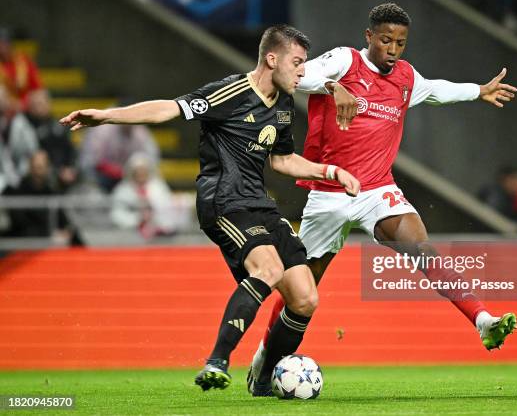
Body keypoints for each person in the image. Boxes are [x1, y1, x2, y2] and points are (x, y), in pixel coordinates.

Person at [60, 25, 360, 395]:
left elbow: (282, 161)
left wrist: (330, 172)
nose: (303, 71)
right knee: (268, 269)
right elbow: (167, 110)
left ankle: (262, 379)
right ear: (272, 58)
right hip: (223, 201)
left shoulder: (283, 102)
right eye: (297, 63)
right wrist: (106, 116)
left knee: (305, 297)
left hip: (258, 202)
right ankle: (217, 361)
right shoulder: (230, 92)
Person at [247, 3, 517, 392]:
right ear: (369, 37)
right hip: (328, 195)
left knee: (422, 247)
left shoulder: (406, 78)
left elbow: (437, 91)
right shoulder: (344, 60)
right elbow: (298, 76)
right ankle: (264, 360)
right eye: (386, 40)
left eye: (401, 43)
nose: (393, 49)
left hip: (377, 190)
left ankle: (482, 320)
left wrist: (478, 91)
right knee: (302, 291)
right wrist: (334, 86)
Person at [110, 152, 186, 238]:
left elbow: (167, 209)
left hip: (160, 235)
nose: (141, 173)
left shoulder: (158, 187)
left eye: (143, 170)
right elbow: (116, 215)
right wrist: (138, 219)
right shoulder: (123, 190)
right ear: (132, 172)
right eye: (138, 171)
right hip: (131, 235)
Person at [0, 27, 43, 111]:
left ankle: (45, 123)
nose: (2, 47)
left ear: (9, 44)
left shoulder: (23, 60)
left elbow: (37, 87)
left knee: (40, 96)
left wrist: (23, 103)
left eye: (4, 43)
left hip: (25, 103)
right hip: (4, 105)